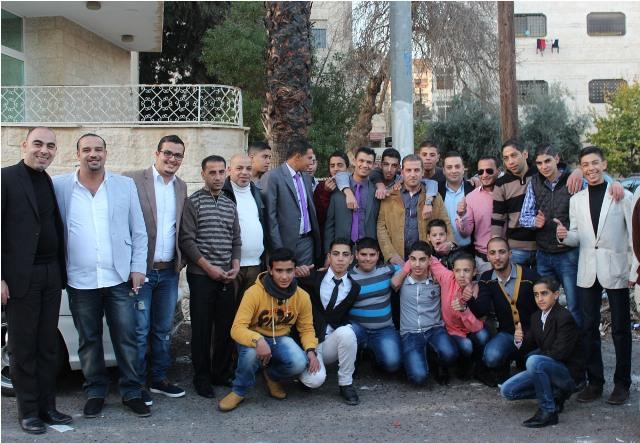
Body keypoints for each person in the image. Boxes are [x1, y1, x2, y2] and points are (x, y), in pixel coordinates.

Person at [53, 133, 149, 418]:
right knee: (88, 339)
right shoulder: (59, 186)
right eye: (86, 149)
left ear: (106, 153)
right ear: (77, 154)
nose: (92, 154)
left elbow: (139, 230)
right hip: (79, 279)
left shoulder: (124, 185)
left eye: (98, 149)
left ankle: (132, 391)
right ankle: (95, 390)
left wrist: (138, 267)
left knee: (126, 337)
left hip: (118, 277)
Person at [1, 127, 71, 434]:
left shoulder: (47, 181)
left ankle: (47, 407)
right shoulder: (5, 178)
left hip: (51, 274)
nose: (44, 150)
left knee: (47, 347)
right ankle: (28, 412)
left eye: (50, 146)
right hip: (21, 277)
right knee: (23, 348)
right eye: (38, 144)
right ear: (24, 145)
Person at [557, 146, 633, 405]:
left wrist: (634, 269)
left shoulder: (622, 195)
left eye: (595, 163)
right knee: (588, 328)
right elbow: (577, 236)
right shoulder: (576, 200)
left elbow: (633, 236)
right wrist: (564, 236)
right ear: (581, 168)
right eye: (585, 165)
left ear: (604, 164)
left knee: (621, 330)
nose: (590, 168)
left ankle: (622, 384)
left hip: (616, 268)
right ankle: (595, 382)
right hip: (588, 270)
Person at [123, 135, 188, 405]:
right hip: (141, 271)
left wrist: (181, 260)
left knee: (163, 330)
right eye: (168, 153)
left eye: (178, 155)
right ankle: (136, 385)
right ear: (157, 153)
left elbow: (179, 227)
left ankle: (158, 379)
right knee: (139, 331)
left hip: (169, 271)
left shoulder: (181, 186)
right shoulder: (132, 180)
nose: (172, 159)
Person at [218, 248, 319, 412]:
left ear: (295, 270)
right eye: (279, 271)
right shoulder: (254, 293)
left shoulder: (302, 296)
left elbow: (306, 328)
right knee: (250, 354)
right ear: (270, 270)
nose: (284, 276)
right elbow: (237, 328)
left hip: (280, 338)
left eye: (289, 271)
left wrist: (311, 349)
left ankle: (271, 375)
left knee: (300, 363)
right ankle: (239, 390)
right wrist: (258, 340)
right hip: (254, 336)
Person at [180, 155, 241, 397]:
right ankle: (202, 377)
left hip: (226, 276)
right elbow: (187, 240)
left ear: (226, 173)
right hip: (201, 276)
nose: (217, 177)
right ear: (203, 174)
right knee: (202, 329)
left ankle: (220, 373)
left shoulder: (229, 204)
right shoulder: (193, 202)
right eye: (212, 172)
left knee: (225, 328)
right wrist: (208, 268)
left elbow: (236, 239)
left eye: (221, 172)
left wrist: (235, 265)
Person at [500, 277, 584, 428]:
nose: (540, 299)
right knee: (507, 390)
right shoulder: (536, 317)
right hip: (546, 367)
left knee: (534, 361)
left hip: (567, 373)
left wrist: (536, 362)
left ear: (556, 295)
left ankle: (548, 410)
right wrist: (519, 339)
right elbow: (528, 344)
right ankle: (554, 393)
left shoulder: (564, 317)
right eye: (536, 295)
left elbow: (560, 353)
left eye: (544, 293)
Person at [492, 139, 583, 267]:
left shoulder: (540, 173)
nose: (510, 162)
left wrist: (579, 171)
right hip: (517, 248)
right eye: (506, 158)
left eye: (514, 155)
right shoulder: (501, 184)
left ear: (525, 154)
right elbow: (498, 218)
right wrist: (496, 244)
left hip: (542, 247)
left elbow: (561, 170)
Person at [518, 145, 582, 327]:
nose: (544, 166)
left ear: (557, 159)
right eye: (539, 163)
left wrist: (579, 171)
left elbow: (599, 184)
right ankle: (553, 341)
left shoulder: (572, 179)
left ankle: (576, 343)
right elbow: (524, 216)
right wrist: (534, 222)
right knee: (546, 306)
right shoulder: (535, 182)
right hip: (544, 254)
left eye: (547, 161)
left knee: (574, 305)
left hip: (568, 253)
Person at [467, 237, 539, 385]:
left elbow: (542, 308)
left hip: (532, 333)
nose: (497, 257)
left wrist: (532, 334)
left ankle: (522, 357)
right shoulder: (487, 278)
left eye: (502, 252)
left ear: (510, 254)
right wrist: (469, 299)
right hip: (507, 333)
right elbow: (481, 311)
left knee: (532, 362)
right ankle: (509, 359)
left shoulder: (530, 276)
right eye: (492, 253)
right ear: (487, 256)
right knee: (491, 357)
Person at [298, 239, 361, 405]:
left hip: (329, 343)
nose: (340, 259)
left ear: (351, 258)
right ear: (329, 257)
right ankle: (301, 370)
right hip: (308, 340)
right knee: (315, 381)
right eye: (336, 254)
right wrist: (296, 272)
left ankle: (346, 383)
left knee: (348, 331)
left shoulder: (354, 287)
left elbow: (341, 315)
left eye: (345, 255)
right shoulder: (312, 277)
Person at [392, 241, 459, 385]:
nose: (417, 264)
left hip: (434, 329)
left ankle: (436, 361)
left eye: (422, 260)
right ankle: (414, 359)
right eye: (413, 259)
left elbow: (454, 279)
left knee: (450, 354)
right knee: (418, 377)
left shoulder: (436, 279)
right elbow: (394, 283)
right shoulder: (402, 278)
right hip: (410, 332)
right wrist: (405, 269)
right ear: (408, 260)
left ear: (430, 261)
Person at [377, 154, 452, 265]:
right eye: (408, 170)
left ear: (422, 172)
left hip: (426, 259)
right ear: (402, 173)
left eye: (416, 170)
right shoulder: (390, 196)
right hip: (397, 257)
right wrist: (390, 254)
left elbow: (445, 222)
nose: (412, 175)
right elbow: (381, 226)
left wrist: (450, 243)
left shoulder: (434, 197)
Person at [260, 140, 321, 269]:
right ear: (298, 157)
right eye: (309, 158)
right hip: (284, 244)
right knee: (285, 279)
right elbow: (270, 217)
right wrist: (278, 249)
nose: (311, 162)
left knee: (306, 278)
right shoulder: (273, 177)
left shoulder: (306, 177)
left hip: (307, 243)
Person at [347, 237, 402, 374]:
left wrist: (400, 275)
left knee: (393, 364)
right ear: (356, 255)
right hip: (358, 330)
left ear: (378, 255)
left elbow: (405, 267)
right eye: (363, 254)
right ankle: (357, 353)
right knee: (347, 332)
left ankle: (372, 351)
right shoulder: (348, 277)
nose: (368, 259)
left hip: (384, 330)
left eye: (372, 255)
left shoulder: (386, 271)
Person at [429, 252, 490, 374]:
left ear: (474, 272)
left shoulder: (476, 289)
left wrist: (464, 310)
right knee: (466, 346)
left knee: (483, 335)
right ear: (453, 271)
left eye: (466, 270)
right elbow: (431, 260)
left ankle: (478, 365)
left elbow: (477, 326)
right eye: (457, 270)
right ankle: (460, 362)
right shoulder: (448, 278)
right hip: (452, 330)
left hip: (470, 328)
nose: (461, 275)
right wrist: (404, 269)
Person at [222, 154, 266, 303]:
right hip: (231, 266)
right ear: (229, 170)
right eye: (239, 168)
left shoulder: (257, 192)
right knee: (228, 310)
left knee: (250, 310)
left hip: (255, 265)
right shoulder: (222, 193)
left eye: (248, 168)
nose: (244, 172)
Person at [325, 147, 379, 252]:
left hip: (367, 251)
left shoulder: (376, 192)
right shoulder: (338, 188)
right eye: (361, 160)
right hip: (341, 250)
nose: (365, 165)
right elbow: (330, 225)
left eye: (369, 162)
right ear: (354, 161)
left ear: (373, 165)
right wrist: (328, 252)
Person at [456, 156, 500, 274]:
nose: (484, 175)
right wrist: (462, 215)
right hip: (483, 261)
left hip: (509, 257)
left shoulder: (507, 192)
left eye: (489, 171)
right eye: (480, 171)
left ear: (498, 171)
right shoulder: (471, 197)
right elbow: (466, 233)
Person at [438, 152, 475, 253]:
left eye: (457, 166)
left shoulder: (473, 189)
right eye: (449, 167)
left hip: (469, 249)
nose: (453, 171)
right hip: (443, 249)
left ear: (463, 169)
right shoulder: (436, 191)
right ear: (444, 171)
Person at [313, 151, 349, 237]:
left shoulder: (353, 185)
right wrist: (326, 192)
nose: (336, 169)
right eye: (332, 166)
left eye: (340, 165)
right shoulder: (321, 187)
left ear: (347, 167)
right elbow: (318, 217)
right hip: (328, 235)